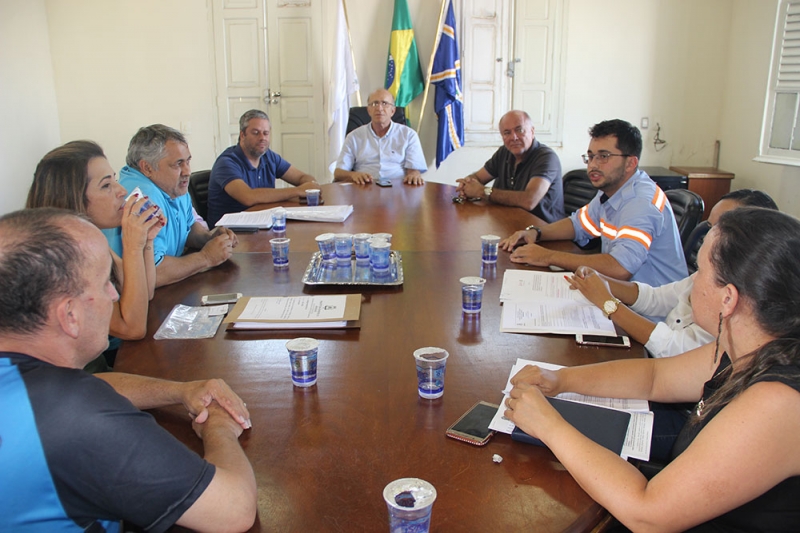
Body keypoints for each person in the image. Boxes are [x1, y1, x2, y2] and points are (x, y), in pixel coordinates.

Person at [505, 207, 800, 531]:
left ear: (728, 299)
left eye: (699, 272)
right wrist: (560, 379)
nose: (691, 285)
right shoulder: (748, 346)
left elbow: (648, 514)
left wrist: (549, 426)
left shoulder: (778, 401)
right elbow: (655, 378)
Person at [0, 208, 256, 532]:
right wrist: (219, 426)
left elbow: (90, 383)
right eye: (105, 280)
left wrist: (181, 390)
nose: (115, 293)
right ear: (70, 315)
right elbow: (234, 509)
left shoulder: (30, 383)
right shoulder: (76, 418)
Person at [566, 189, 779, 359]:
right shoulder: (708, 274)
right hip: (659, 360)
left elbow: (675, 349)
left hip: (672, 372)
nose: (708, 237)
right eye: (710, 226)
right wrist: (602, 282)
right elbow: (657, 298)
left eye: (720, 230)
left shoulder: (742, 306)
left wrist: (608, 303)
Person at [26, 140, 164, 369]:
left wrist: (146, 241)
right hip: (76, 381)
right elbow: (132, 328)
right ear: (73, 199)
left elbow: (146, 292)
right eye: (106, 186)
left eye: (115, 180)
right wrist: (131, 244)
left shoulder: (90, 237)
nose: (122, 192)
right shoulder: (62, 258)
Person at [500, 119, 687, 288]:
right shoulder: (612, 191)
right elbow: (578, 224)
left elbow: (621, 267)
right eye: (591, 156)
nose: (593, 165)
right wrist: (536, 232)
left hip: (653, 315)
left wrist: (547, 256)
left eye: (604, 156)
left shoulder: (641, 202)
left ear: (630, 163)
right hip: (621, 295)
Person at [117, 124, 239, 287]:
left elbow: (187, 226)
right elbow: (153, 273)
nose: (187, 171)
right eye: (177, 164)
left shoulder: (171, 185)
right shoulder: (143, 198)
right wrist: (206, 258)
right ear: (147, 168)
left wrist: (208, 238)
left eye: (188, 161)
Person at [208, 109, 319, 227]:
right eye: (256, 133)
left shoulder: (269, 156)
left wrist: (310, 185)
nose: (262, 138)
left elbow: (301, 177)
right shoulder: (227, 162)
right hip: (230, 233)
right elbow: (248, 197)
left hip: (261, 225)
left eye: (266, 133)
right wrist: (298, 191)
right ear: (242, 135)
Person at [455, 110, 564, 223]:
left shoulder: (547, 158)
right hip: (508, 222)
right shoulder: (504, 152)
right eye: (507, 133)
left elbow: (529, 200)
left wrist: (483, 191)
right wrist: (467, 184)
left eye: (519, 130)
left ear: (532, 131)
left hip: (542, 232)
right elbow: (478, 177)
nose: (514, 137)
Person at [334, 88, 427, 186]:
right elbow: (338, 173)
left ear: (393, 111)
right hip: (364, 188)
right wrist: (353, 175)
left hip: (397, 189)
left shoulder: (409, 135)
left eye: (385, 103)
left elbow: (413, 171)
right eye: (374, 104)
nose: (379, 108)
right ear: (368, 110)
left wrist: (414, 174)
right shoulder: (354, 136)